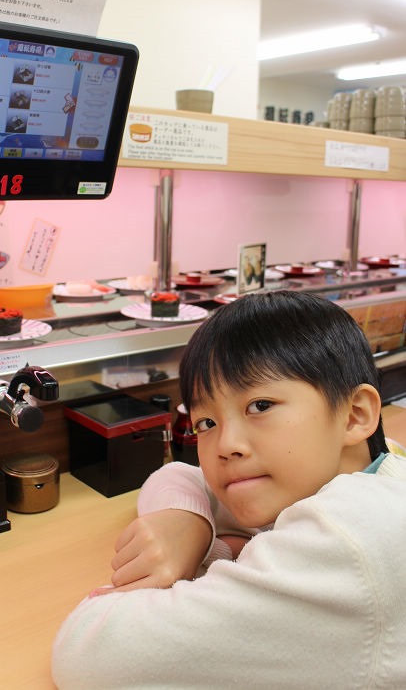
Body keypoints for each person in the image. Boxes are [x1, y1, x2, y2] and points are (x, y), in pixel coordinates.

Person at [51, 291, 406, 689]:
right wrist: (186, 523)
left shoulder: (349, 538)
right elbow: (176, 474)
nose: (226, 445)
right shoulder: (378, 464)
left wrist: (207, 556)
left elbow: (88, 654)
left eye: (260, 406)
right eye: (206, 423)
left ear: (355, 414)